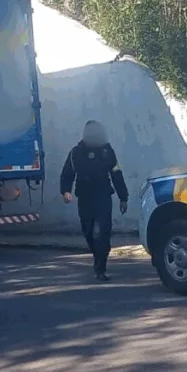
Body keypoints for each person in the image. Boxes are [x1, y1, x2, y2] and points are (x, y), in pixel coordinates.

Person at [60, 120, 129, 281]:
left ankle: (101, 267)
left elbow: (116, 175)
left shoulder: (107, 151)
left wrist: (123, 197)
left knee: (101, 232)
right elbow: (67, 173)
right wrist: (65, 191)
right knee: (88, 231)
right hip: (84, 197)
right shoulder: (76, 152)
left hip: (103, 196)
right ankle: (98, 255)